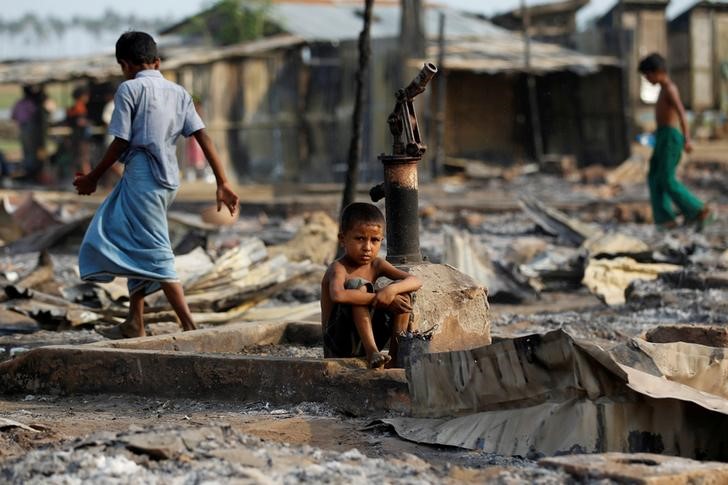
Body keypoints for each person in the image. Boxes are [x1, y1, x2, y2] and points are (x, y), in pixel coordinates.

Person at [73, 31, 239, 339]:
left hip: (142, 178)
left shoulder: (129, 89)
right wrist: (223, 181)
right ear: (157, 62)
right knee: (131, 236)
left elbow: (121, 141)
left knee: (155, 250)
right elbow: (203, 136)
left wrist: (92, 177)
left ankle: (189, 326)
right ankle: (135, 321)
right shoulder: (178, 92)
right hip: (167, 180)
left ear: (124, 65)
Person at [321, 203, 422, 369]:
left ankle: (395, 357)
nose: (367, 247)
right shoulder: (338, 268)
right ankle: (372, 352)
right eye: (360, 239)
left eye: (374, 240)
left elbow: (415, 281)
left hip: (365, 335)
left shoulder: (377, 264)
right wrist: (379, 297)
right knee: (358, 286)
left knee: (403, 295)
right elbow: (338, 295)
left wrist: (391, 290)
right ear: (342, 239)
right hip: (338, 343)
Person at [638, 53, 712, 230]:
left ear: (658, 72)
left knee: (666, 178)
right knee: (654, 176)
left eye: (648, 75)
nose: (647, 79)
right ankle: (665, 219)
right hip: (663, 136)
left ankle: (698, 209)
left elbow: (681, 113)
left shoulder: (670, 88)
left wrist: (687, 139)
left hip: (671, 137)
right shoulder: (662, 90)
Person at [11, 85, 40, 179]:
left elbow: (13, 116)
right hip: (29, 127)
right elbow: (36, 114)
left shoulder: (19, 103)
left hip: (22, 127)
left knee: (26, 149)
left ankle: (28, 169)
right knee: (31, 150)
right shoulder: (30, 103)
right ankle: (31, 171)